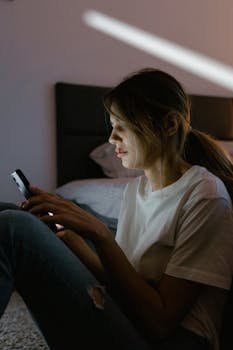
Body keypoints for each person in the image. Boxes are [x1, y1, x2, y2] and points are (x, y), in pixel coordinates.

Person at [0, 68, 233, 350]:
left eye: (120, 125)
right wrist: (69, 236)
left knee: (13, 229)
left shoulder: (205, 194)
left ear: (169, 124)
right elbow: (121, 282)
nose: (112, 138)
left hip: (173, 341)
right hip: (131, 320)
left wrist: (99, 232)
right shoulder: (137, 189)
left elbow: (160, 324)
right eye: (111, 125)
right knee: (6, 213)